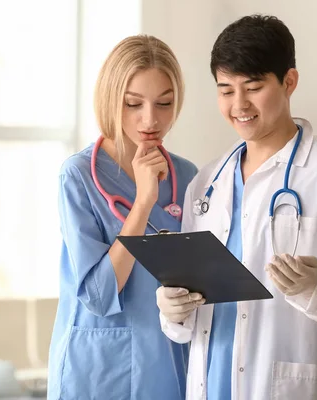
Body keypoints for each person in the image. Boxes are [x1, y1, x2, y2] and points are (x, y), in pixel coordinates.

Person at [155, 14, 317, 399]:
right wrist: (172, 309)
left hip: (287, 386)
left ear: (289, 82)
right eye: (226, 90)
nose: (239, 104)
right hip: (209, 385)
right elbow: (190, 310)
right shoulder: (207, 183)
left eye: (253, 87)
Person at [47, 35, 199, 400]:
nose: (151, 119)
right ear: (112, 99)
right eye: (134, 104)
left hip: (167, 362)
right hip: (95, 369)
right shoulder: (79, 176)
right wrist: (143, 202)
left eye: (165, 103)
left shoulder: (187, 177)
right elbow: (98, 296)